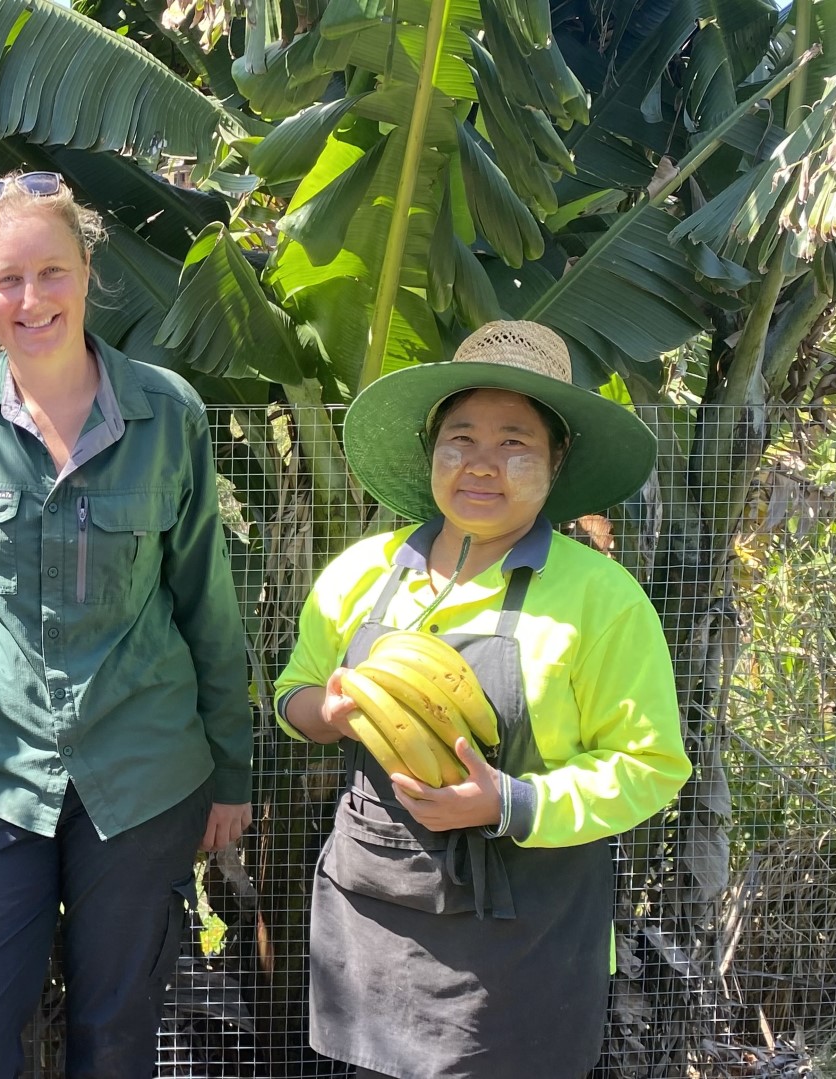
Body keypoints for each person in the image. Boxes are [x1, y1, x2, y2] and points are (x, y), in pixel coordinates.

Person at [0, 171, 253, 1079]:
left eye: (52, 271)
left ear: (88, 270)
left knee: (115, 1035)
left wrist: (234, 772)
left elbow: (207, 601)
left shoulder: (170, 413)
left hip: (145, 770)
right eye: (7, 279)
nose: (32, 297)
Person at [274, 321, 693, 1079]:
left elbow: (651, 764)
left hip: (523, 943)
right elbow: (293, 691)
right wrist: (328, 711)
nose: (481, 464)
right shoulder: (362, 573)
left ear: (556, 461)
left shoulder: (601, 600)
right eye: (460, 438)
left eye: (514, 443)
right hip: (375, 922)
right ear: (431, 449)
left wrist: (508, 801)